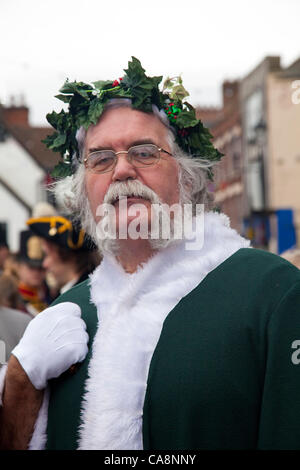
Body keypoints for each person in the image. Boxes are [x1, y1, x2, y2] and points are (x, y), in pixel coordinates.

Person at [1, 57, 300, 450]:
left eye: (144, 153)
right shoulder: (66, 313)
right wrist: (21, 380)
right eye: (101, 158)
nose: (121, 171)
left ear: (187, 176)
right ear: (82, 190)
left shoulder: (272, 292)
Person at [26, 215, 100, 294]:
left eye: (47, 255)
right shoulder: (80, 291)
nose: (44, 265)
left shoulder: (84, 296)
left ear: (66, 254)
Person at [15, 231, 50, 316]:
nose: (36, 272)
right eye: (31, 268)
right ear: (19, 267)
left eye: (40, 268)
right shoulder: (12, 299)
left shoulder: (51, 295)